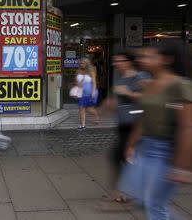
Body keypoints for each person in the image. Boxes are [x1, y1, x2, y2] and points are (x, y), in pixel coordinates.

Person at [118, 41, 192, 219]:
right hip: (145, 148)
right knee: (143, 200)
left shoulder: (179, 85)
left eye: (150, 56)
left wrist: (181, 167)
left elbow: (187, 126)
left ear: (166, 59)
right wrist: (131, 145)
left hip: (165, 151)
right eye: (143, 55)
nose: (143, 59)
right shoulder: (148, 83)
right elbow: (144, 117)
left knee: (155, 205)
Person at [106, 51, 149, 203]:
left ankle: (126, 191)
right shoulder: (118, 76)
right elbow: (116, 98)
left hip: (136, 125)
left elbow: (149, 96)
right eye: (114, 61)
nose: (116, 64)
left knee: (120, 156)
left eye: (119, 60)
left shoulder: (141, 77)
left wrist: (129, 93)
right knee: (128, 157)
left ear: (129, 61)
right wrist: (111, 104)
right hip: (122, 124)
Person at [76, 58, 99, 130]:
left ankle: (96, 116)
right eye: (81, 63)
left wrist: (93, 92)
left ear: (87, 64)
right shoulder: (78, 71)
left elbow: (94, 83)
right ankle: (83, 125)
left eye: (83, 63)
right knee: (81, 108)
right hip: (81, 93)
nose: (81, 64)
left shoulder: (91, 71)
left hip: (90, 92)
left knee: (89, 109)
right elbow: (77, 81)